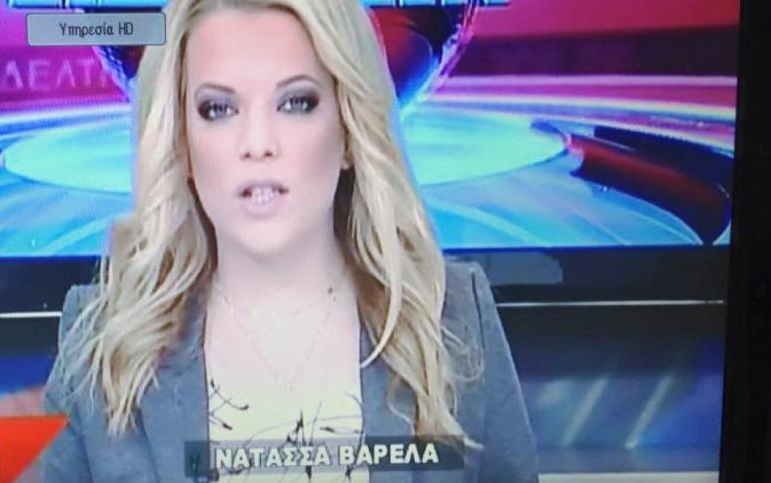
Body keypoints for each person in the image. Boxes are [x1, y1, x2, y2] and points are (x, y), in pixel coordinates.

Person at [40, 0, 537, 481]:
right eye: (218, 109)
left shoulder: (452, 321)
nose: (258, 144)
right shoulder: (102, 345)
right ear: (181, 143)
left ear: (348, 129)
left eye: (296, 103)